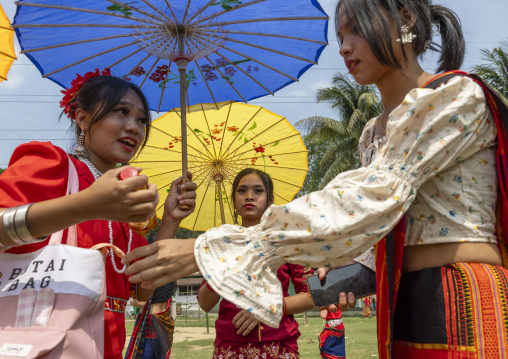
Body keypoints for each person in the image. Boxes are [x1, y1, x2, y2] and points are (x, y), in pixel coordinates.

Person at [123, 0, 508, 357]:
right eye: (340, 37)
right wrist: (346, 272)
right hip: (400, 297)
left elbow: (371, 199)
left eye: (356, 30)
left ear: (405, 19)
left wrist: (204, 249)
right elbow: (373, 230)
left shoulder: (454, 95)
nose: (344, 47)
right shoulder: (373, 131)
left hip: (461, 292)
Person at [0, 68, 197, 359]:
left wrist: (170, 220)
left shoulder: (122, 203)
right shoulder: (52, 164)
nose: (134, 127)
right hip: (42, 342)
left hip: (106, 346)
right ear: (82, 118)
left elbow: (142, 291)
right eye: (121, 112)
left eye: (142, 120)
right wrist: (88, 205)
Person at [197, 168, 315, 358]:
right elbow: (205, 304)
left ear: (270, 200)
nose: (249, 196)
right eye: (242, 190)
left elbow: (312, 295)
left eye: (258, 191)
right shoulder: (219, 243)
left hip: (278, 345)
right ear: (233, 199)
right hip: (230, 347)